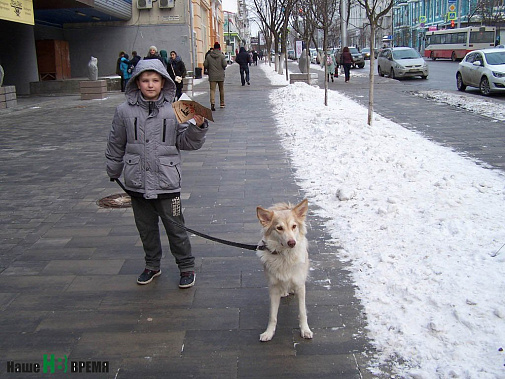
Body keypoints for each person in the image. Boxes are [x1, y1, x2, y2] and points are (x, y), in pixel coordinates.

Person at [105, 59, 209, 288]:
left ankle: (186, 267)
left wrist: (197, 127)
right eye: (145, 80)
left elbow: (187, 143)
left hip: (167, 182)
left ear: (163, 82)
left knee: (176, 228)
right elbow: (116, 142)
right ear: (137, 83)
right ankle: (152, 264)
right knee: (146, 228)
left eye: (155, 80)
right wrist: (114, 168)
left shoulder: (178, 108)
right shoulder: (123, 111)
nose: (150, 85)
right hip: (137, 182)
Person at [203, 42, 227, 111]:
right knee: (221, 89)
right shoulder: (222, 56)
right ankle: (222, 103)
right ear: (219, 48)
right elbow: (225, 64)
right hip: (220, 75)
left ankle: (212, 103)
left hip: (212, 75)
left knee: (212, 90)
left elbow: (205, 64)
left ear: (213, 48)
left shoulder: (209, 56)